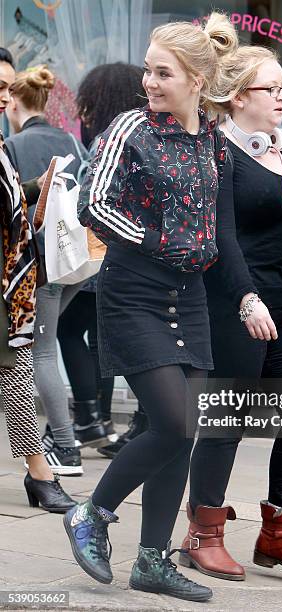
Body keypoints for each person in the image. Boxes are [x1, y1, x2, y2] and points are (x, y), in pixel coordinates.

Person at [63, 13, 239, 603]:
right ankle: (93, 513)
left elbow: (218, 224)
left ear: (196, 80)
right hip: (134, 292)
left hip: (189, 300)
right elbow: (94, 204)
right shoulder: (130, 128)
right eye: (148, 69)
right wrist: (158, 242)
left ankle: (151, 560)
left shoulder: (214, 140)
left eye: (162, 72)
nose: (149, 81)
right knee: (170, 419)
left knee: (183, 430)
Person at [182, 45, 282, 581]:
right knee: (229, 418)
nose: (280, 98)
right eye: (269, 89)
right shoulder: (219, 152)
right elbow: (222, 235)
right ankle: (203, 532)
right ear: (235, 97)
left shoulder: (280, 147)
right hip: (235, 300)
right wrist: (246, 298)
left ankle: (279, 531)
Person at [57, 63, 148, 455]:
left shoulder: (108, 143)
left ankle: (93, 419)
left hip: (104, 257)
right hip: (131, 257)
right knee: (104, 340)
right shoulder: (145, 138)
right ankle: (107, 420)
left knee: (77, 332)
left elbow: (89, 204)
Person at [0, 47, 76, 512]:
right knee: (15, 375)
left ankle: (41, 472)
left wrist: (33, 191)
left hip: (13, 284)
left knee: (16, 375)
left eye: (7, 88)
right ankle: (41, 473)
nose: (5, 99)